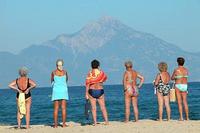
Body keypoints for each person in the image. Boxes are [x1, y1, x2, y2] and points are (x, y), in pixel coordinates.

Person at [85, 59, 109, 126]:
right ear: (98, 66)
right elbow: (105, 79)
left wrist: (86, 93)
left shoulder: (89, 73)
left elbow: (87, 84)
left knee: (93, 108)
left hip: (92, 91)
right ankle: (106, 121)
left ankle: (95, 123)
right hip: (100, 90)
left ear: (91, 66)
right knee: (103, 107)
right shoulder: (101, 73)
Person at [51, 59, 69, 128]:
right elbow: (66, 80)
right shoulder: (65, 72)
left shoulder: (53, 72)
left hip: (56, 91)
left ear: (56, 65)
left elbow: (52, 81)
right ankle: (64, 124)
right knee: (63, 108)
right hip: (64, 90)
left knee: (56, 108)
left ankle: (55, 125)